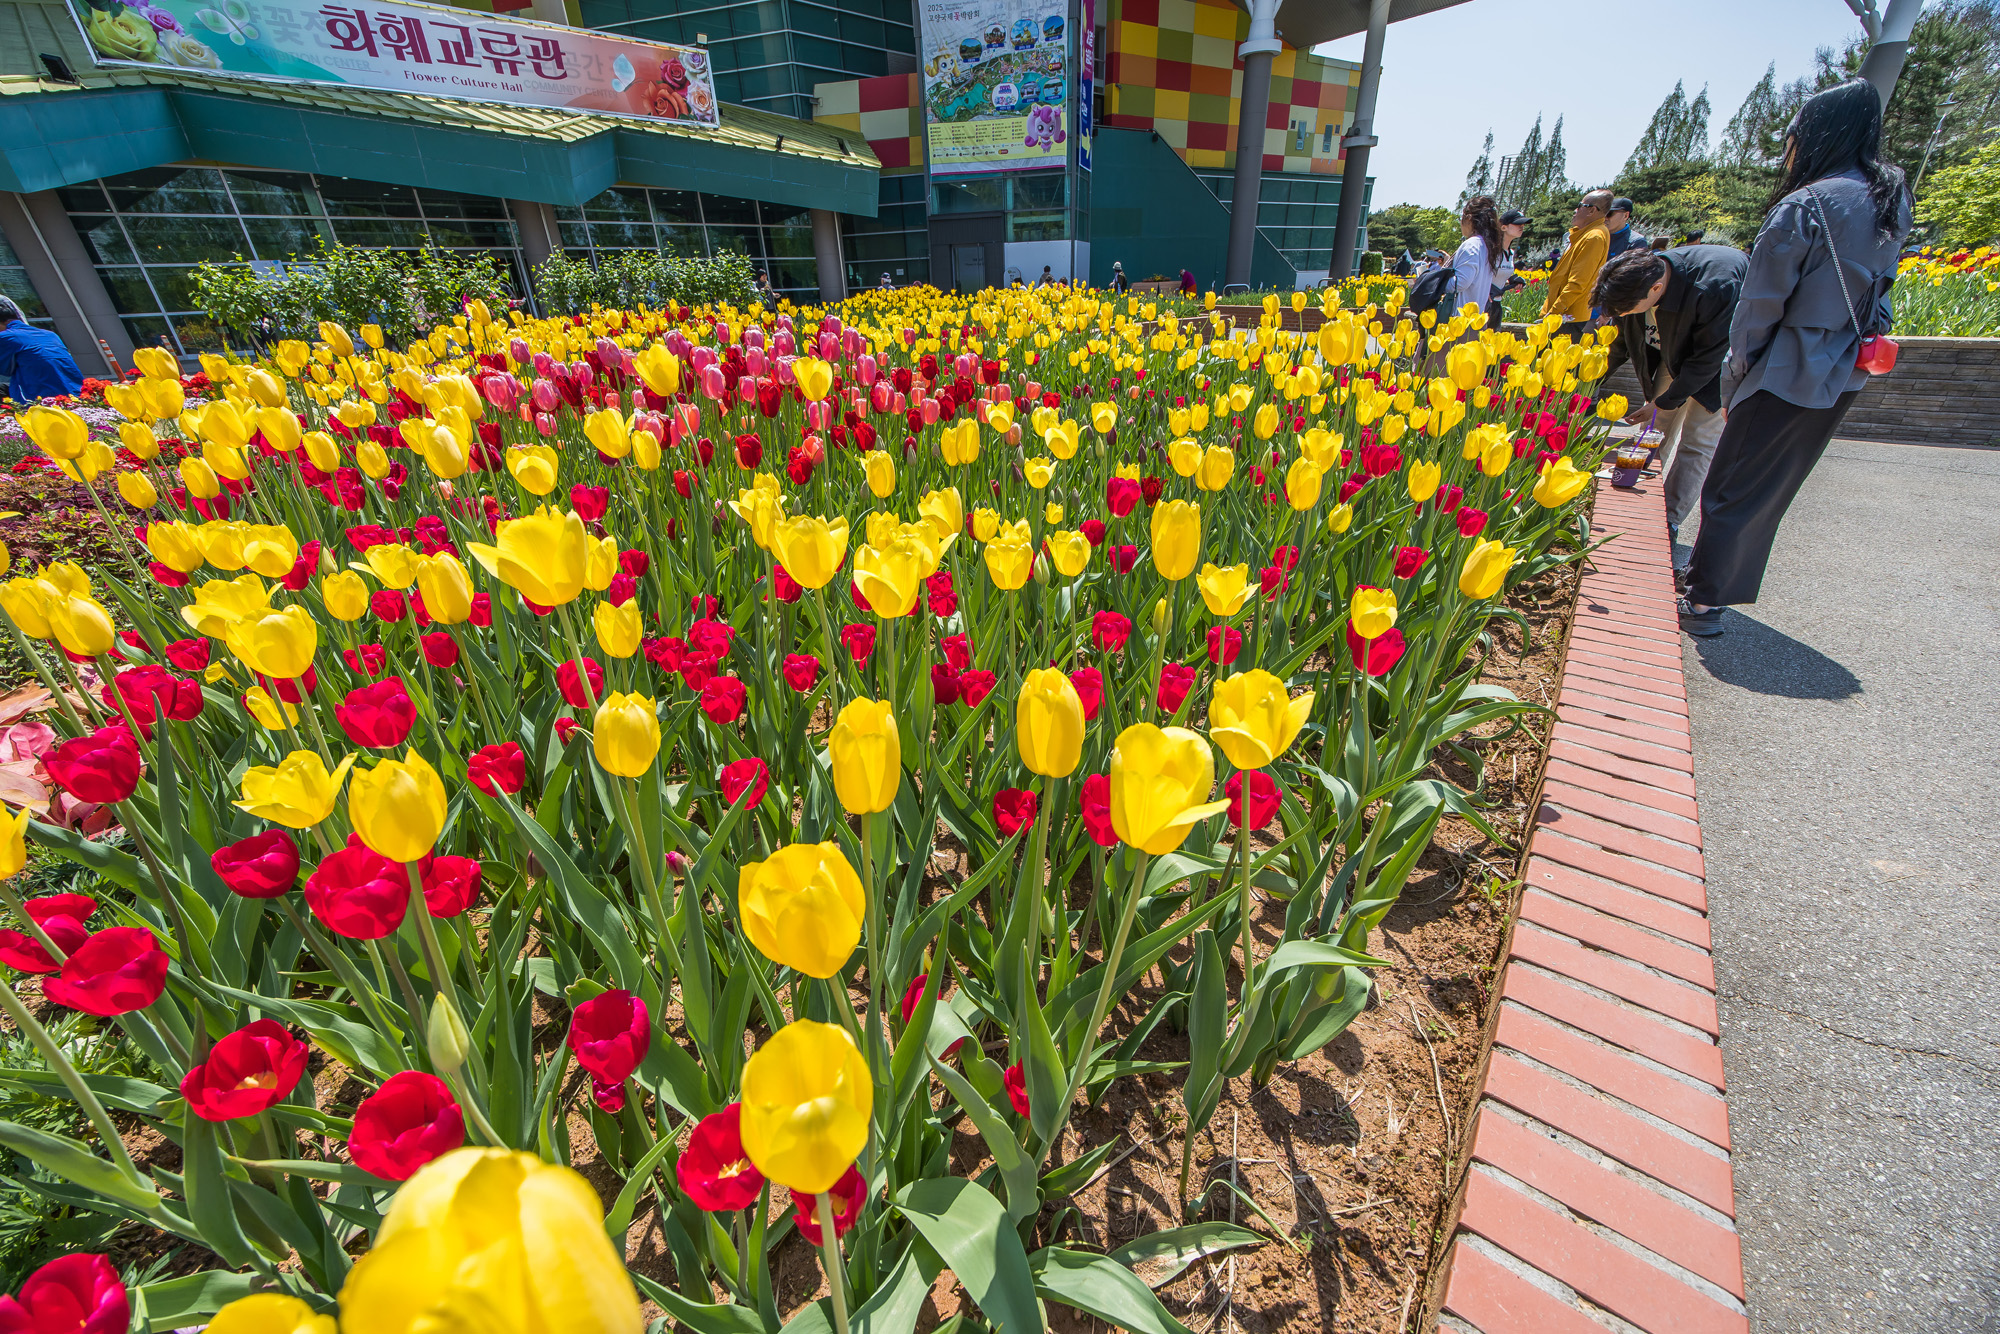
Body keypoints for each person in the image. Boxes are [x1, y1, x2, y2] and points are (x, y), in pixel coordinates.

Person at [1679, 79, 1912, 637]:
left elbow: (1760, 305)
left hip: (1787, 363)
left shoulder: (1807, 203)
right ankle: (1712, 582)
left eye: (1793, 135)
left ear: (1815, 135)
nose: (1788, 148)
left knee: (1732, 480)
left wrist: (1735, 377)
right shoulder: (1890, 197)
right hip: (1845, 366)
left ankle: (1705, 601)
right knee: (1774, 483)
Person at [1594, 243, 1747, 542]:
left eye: (1625, 310)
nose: (1621, 314)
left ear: (1656, 288)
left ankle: (1669, 519)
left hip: (1722, 363)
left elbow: (1708, 360)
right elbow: (1619, 347)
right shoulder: (1633, 281)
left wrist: (1663, 401)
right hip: (1674, 353)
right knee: (1656, 427)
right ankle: (1640, 495)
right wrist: (1584, 384)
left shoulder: (1717, 286)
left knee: (1697, 440)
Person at [1542, 189, 1614, 331]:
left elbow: (1578, 283)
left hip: (1567, 317)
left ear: (1592, 210)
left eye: (1580, 205)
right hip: (1564, 315)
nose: (1575, 210)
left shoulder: (1594, 237)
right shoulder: (1585, 234)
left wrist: (1555, 312)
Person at [0, 298, 85, 406]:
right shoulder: (50, 334)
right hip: (75, 393)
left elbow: (5, 369)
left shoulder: (6, 337)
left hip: (39, 397)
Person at [1449, 195, 1507, 321]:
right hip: (1477, 319)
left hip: (1460, 321)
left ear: (1468, 218)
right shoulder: (1487, 245)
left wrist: (1435, 283)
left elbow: (1461, 282)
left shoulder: (1472, 245)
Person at [1488, 208, 1531, 323]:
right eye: (1517, 224)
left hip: (1497, 304)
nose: (1521, 226)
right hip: (1484, 304)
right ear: (1503, 227)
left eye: (1523, 224)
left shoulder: (1510, 253)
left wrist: (1514, 280)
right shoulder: (1490, 250)